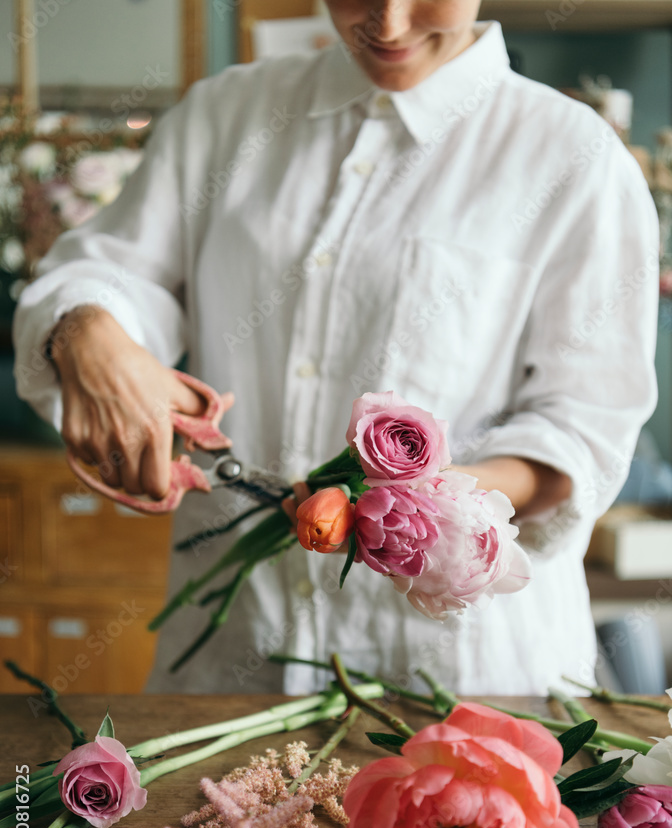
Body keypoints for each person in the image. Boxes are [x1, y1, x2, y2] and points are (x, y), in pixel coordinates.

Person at [13, 2, 659, 697]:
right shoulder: (223, 115)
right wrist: (89, 331)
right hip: (229, 668)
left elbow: (580, 431)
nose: (389, 23)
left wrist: (412, 515)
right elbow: (114, 273)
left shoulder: (573, 156)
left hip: (461, 681)